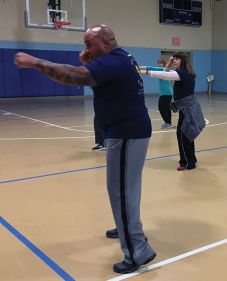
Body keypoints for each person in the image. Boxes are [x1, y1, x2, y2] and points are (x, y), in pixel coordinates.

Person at [14, 24, 156, 274]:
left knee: (121, 192)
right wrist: (90, 61)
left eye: (89, 44)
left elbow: (74, 76)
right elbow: (95, 79)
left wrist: (34, 61)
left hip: (126, 133)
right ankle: (127, 228)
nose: (86, 49)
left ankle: (138, 251)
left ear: (107, 42)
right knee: (126, 189)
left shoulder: (112, 62)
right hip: (127, 131)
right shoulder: (121, 57)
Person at [142, 53, 205, 171]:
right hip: (186, 107)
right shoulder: (184, 71)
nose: (174, 60)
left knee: (183, 134)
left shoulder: (182, 73)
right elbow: (166, 72)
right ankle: (191, 158)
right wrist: (169, 63)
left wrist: (146, 72)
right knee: (187, 134)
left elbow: (164, 75)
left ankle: (187, 163)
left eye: (177, 59)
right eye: (174, 58)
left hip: (187, 108)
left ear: (183, 61)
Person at [140, 58, 173, 129]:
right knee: (166, 108)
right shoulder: (163, 70)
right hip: (167, 93)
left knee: (162, 108)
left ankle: (168, 123)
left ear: (164, 64)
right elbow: (150, 68)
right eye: (158, 63)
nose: (159, 64)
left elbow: (150, 68)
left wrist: (138, 67)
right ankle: (168, 123)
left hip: (166, 93)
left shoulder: (162, 69)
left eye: (161, 63)